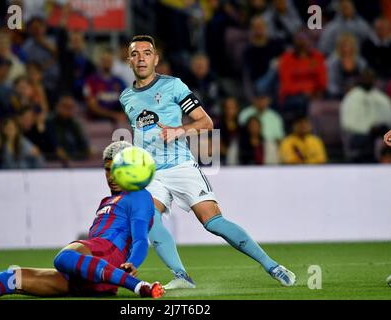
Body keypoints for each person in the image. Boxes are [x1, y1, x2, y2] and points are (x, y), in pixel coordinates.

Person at [120, 35, 296, 290]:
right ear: (129, 61)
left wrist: (178, 130)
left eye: (147, 53)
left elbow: (206, 123)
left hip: (180, 165)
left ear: (156, 58)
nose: (141, 58)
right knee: (149, 219)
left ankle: (272, 266)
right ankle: (181, 276)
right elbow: (140, 133)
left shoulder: (174, 86)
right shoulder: (126, 97)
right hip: (151, 174)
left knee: (213, 223)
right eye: (135, 54)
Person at [0, 141, 165, 300]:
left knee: (65, 256)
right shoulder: (107, 200)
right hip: (88, 275)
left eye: (117, 170)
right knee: (10, 279)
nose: (111, 176)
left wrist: (133, 263)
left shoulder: (139, 196)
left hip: (107, 258)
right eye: (107, 170)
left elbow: (140, 239)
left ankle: (138, 287)